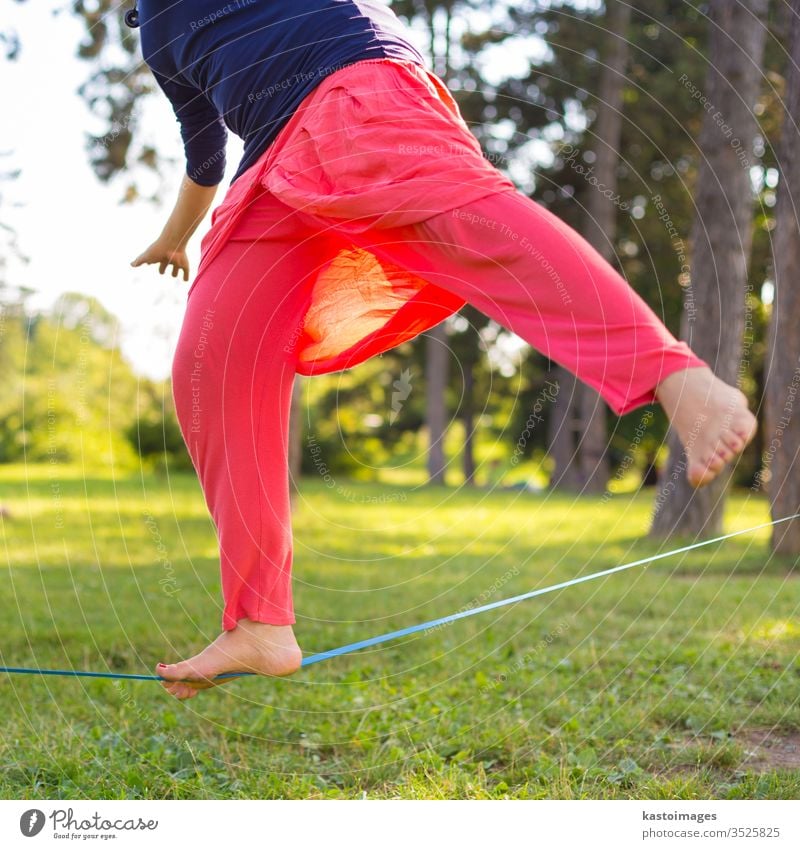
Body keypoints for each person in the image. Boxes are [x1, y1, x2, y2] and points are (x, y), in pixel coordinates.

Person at [128, 0, 757, 700]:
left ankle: (676, 376)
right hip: (270, 163)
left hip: (353, 84)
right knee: (213, 359)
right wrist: (175, 236)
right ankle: (259, 619)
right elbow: (203, 149)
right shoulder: (157, 28)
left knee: (472, 225)